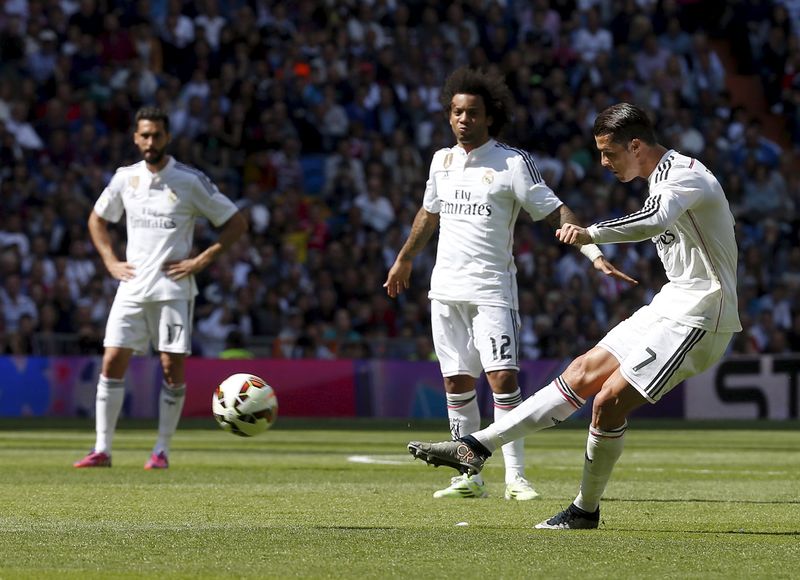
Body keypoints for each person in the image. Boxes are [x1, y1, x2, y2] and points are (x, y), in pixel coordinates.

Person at [408, 102, 741, 528]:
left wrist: (591, 233)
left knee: (608, 403)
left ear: (635, 145)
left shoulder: (684, 175)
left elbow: (654, 219)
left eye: (609, 153)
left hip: (702, 313)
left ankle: (584, 510)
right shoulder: (661, 177)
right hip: (672, 302)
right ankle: (476, 445)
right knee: (583, 371)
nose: (603, 162)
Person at [385, 68, 633, 500]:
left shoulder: (511, 162)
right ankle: (468, 475)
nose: (464, 119)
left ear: (489, 117)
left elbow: (556, 211)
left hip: (491, 290)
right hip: (445, 290)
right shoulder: (441, 161)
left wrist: (593, 252)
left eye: (473, 113)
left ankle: (515, 477)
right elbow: (429, 214)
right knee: (457, 383)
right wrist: (404, 259)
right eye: (457, 112)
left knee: (501, 379)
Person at [74, 106, 247, 470]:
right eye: (145, 135)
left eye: (157, 135)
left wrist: (201, 260)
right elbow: (97, 220)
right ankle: (102, 449)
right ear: (136, 138)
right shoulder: (125, 178)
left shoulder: (189, 180)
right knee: (112, 360)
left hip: (173, 289)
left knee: (171, 367)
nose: (150, 141)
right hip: (132, 285)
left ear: (167, 137)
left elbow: (235, 223)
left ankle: (161, 450)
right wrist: (109, 262)